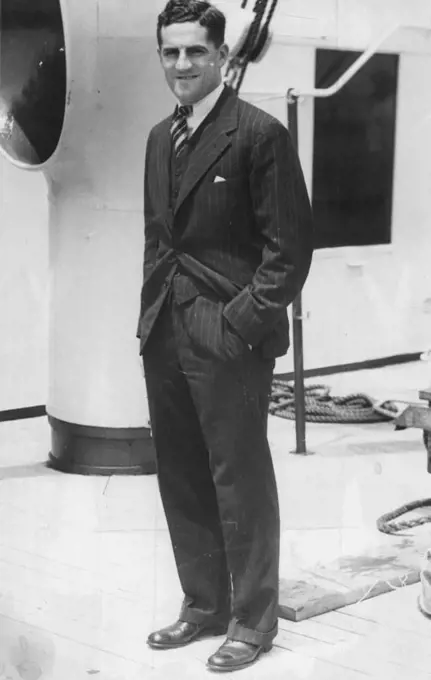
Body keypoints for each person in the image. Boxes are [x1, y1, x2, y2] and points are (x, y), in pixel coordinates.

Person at [136, 0, 313, 672]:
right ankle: (203, 605)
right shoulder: (160, 137)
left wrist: (237, 326)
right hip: (164, 332)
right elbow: (158, 238)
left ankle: (251, 622)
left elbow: (288, 252)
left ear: (220, 57)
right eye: (170, 52)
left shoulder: (257, 135)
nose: (182, 64)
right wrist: (149, 318)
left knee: (238, 479)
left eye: (194, 52)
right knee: (181, 475)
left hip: (227, 338)